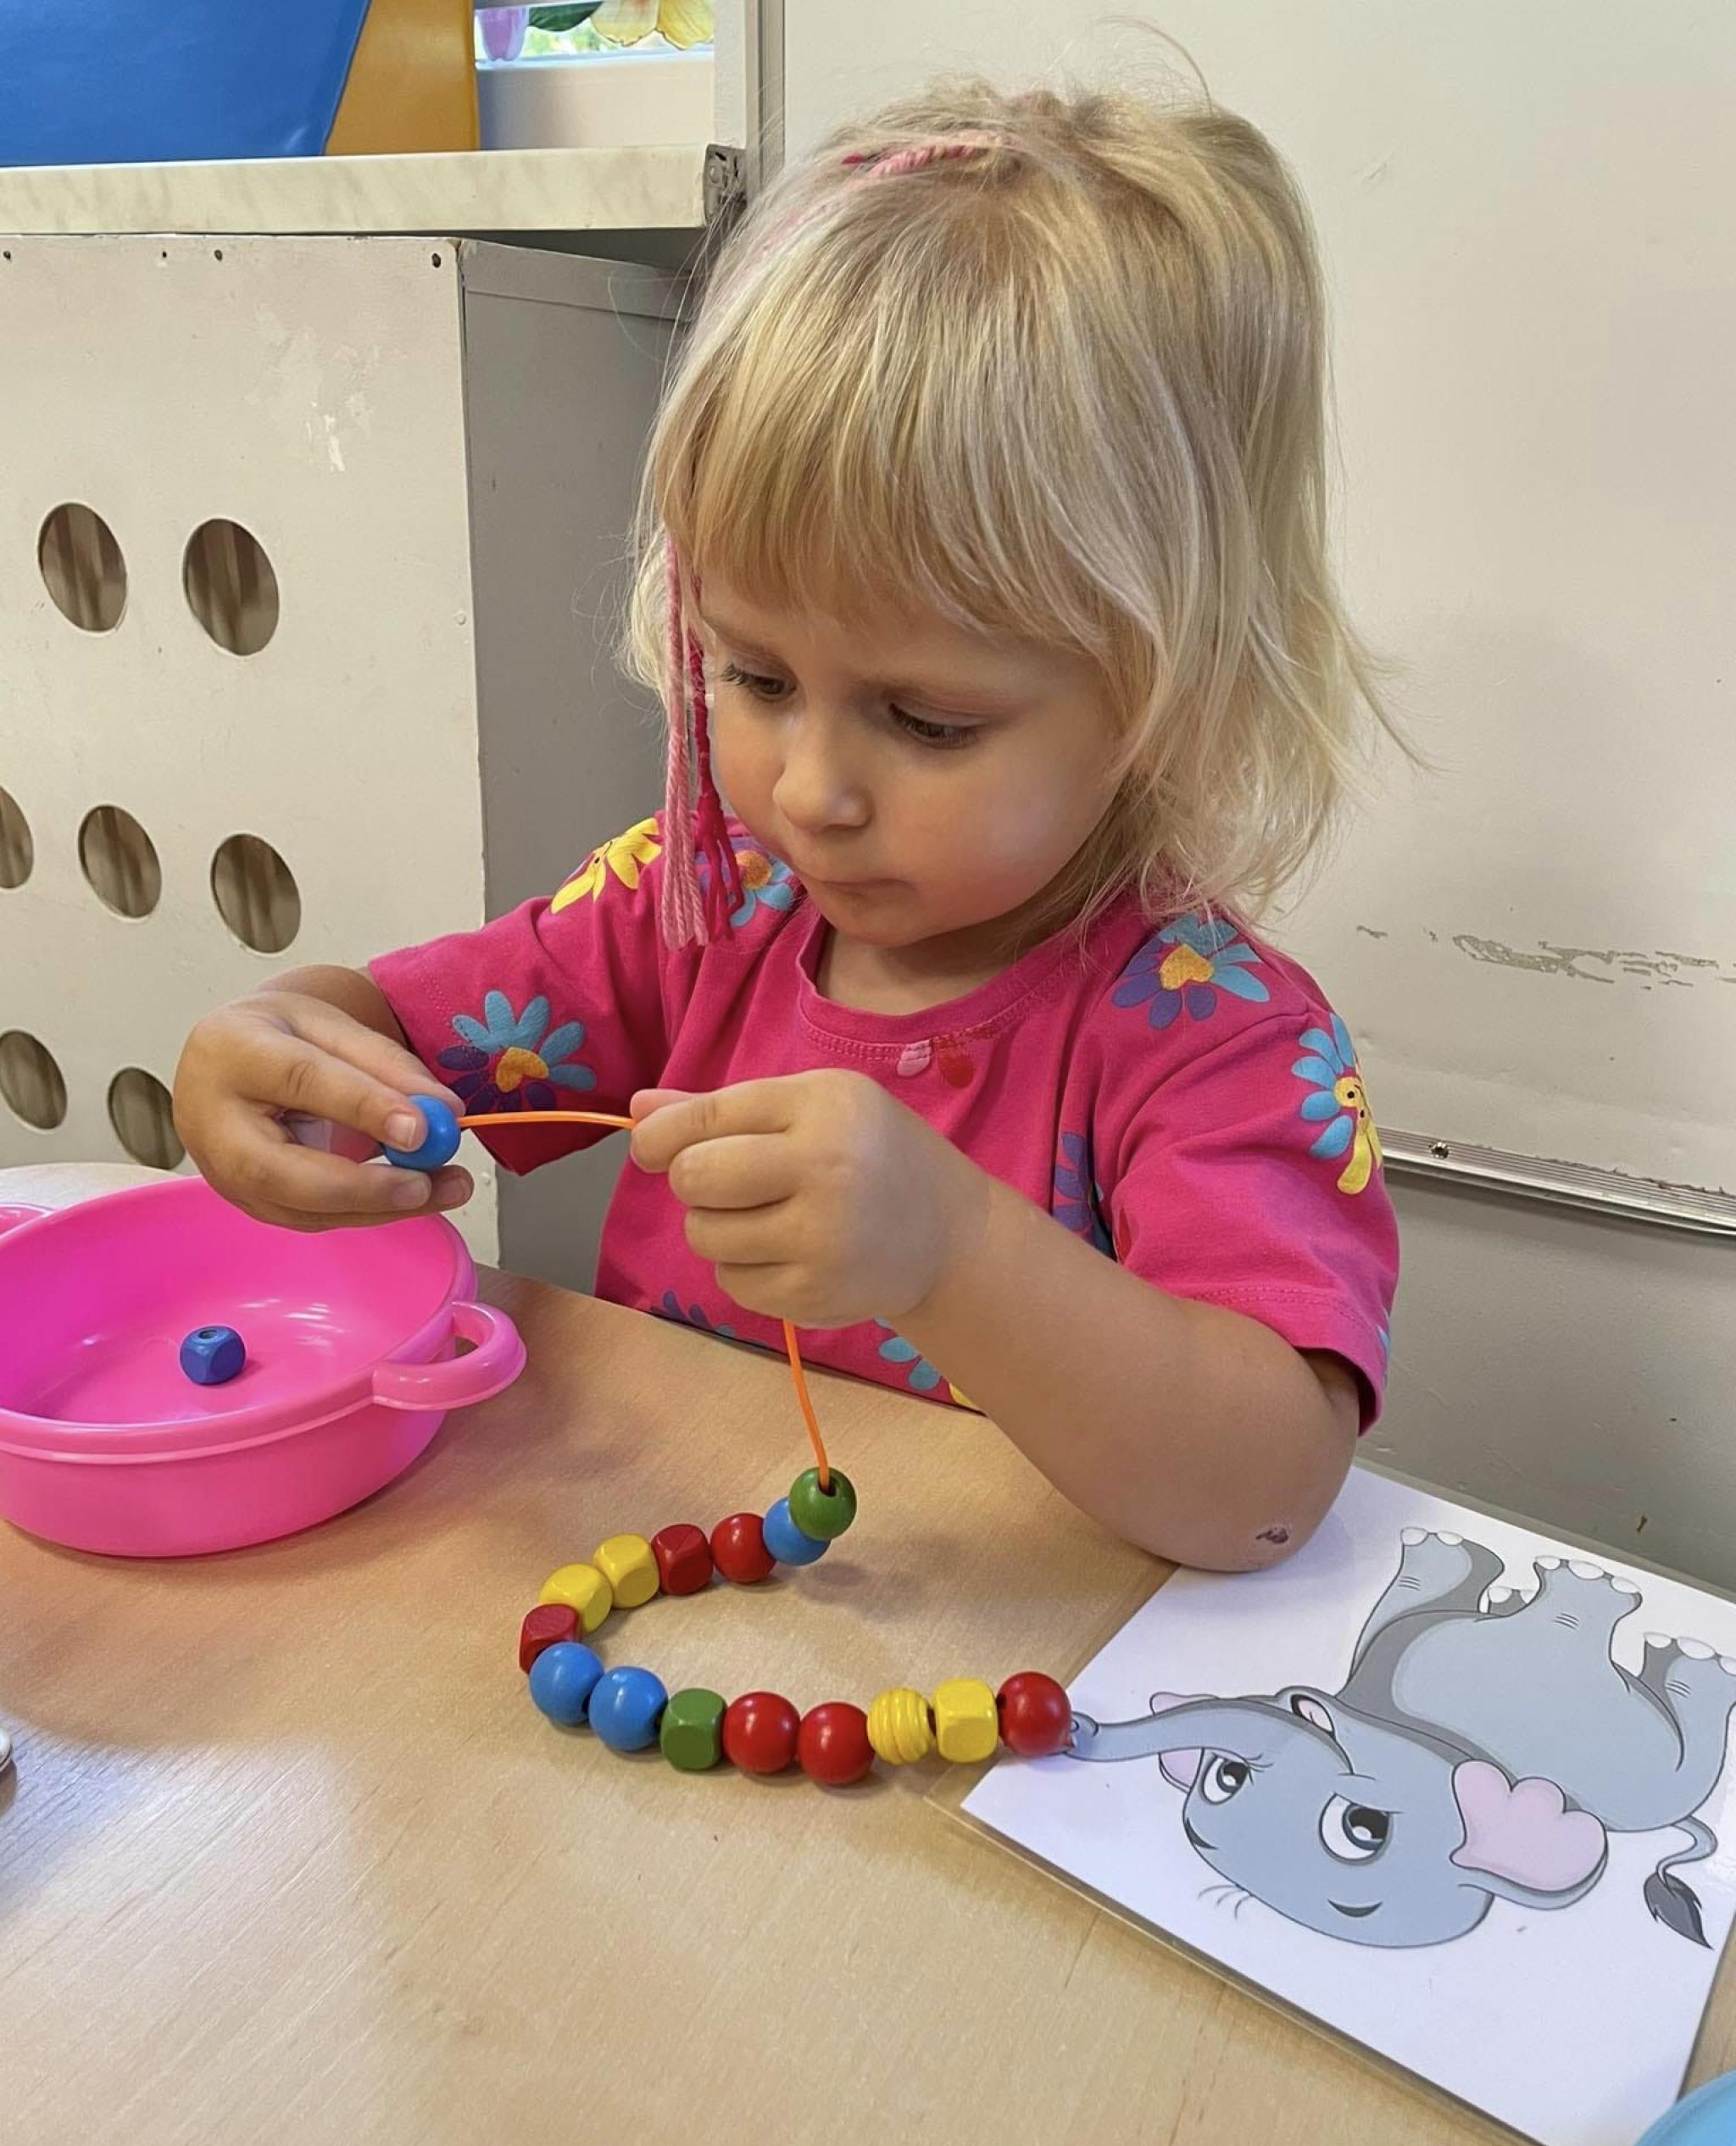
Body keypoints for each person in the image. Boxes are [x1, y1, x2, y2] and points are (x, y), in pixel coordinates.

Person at [174, 80, 1403, 1571]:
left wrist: (952, 1250)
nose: (812, 792)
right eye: (755, 678)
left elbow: (1264, 1491)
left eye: (928, 720)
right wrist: (281, 1056)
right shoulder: (701, 901)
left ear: (1166, 689)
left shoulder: (1220, 1043)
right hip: (665, 1596)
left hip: (1003, 1662)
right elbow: (393, 1051)